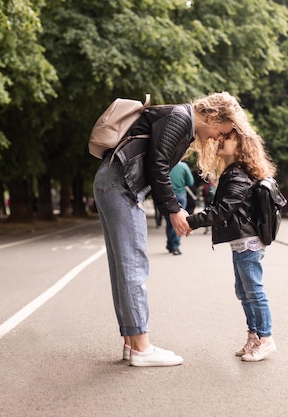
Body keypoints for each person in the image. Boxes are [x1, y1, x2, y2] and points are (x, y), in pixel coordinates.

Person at [93, 92, 244, 367]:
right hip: (121, 186)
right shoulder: (180, 117)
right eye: (218, 131)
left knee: (122, 267)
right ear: (212, 116)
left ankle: (131, 343)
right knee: (132, 266)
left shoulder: (178, 119)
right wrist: (174, 210)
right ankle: (141, 348)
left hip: (112, 182)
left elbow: (154, 162)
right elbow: (158, 166)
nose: (214, 138)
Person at [185, 122, 278, 362]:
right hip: (241, 240)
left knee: (254, 291)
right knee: (243, 291)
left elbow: (221, 211)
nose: (220, 140)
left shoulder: (238, 175)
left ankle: (266, 339)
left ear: (240, 148)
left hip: (248, 241)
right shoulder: (231, 173)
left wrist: (191, 221)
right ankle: (254, 336)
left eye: (228, 138)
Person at [165, 161, 194, 255]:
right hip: (181, 195)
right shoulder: (183, 166)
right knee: (179, 221)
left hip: (167, 196)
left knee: (169, 222)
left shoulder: (165, 165)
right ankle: (175, 246)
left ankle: (170, 243)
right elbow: (190, 181)